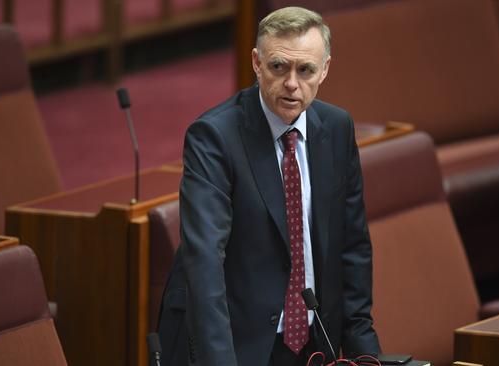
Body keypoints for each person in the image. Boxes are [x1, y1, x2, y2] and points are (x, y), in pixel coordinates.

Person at [158, 6, 381, 366]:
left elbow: (353, 247)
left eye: (305, 70)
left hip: (313, 341)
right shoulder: (214, 137)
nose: (292, 83)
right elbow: (204, 263)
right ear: (257, 63)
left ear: (324, 70)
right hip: (236, 343)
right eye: (279, 67)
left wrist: (366, 355)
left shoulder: (337, 129)